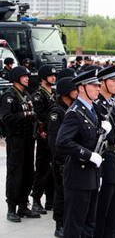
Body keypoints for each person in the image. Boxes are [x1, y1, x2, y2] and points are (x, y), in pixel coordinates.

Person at [55, 68, 104, 237]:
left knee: (89, 224)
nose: (98, 88)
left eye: (99, 85)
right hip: (78, 176)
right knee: (75, 225)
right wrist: (88, 155)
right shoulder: (75, 113)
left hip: (91, 175)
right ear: (81, 88)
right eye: (94, 85)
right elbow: (62, 142)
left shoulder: (91, 110)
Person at [1, 66, 40, 222]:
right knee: (15, 173)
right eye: (24, 76)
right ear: (16, 78)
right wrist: (24, 114)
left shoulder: (26, 94)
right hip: (15, 138)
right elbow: (6, 118)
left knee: (28, 172)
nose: (27, 78)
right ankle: (12, 208)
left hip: (28, 137)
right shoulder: (8, 96)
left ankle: (24, 205)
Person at [93, 65, 115, 238]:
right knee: (102, 211)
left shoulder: (112, 104)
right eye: (113, 81)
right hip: (105, 161)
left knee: (114, 210)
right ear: (102, 83)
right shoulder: (97, 105)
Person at [47, 77, 78, 237]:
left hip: (72, 159)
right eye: (74, 89)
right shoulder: (56, 112)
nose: (77, 92)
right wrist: (62, 161)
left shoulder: (72, 108)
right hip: (61, 161)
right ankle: (59, 224)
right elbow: (54, 141)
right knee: (61, 194)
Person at [31, 64, 58, 215]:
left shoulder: (53, 93)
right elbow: (40, 116)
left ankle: (50, 199)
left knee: (52, 169)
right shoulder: (38, 96)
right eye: (50, 75)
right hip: (44, 136)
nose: (53, 78)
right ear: (43, 78)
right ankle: (36, 199)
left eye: (54, 75)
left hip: (53, 135)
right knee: (42, 169)